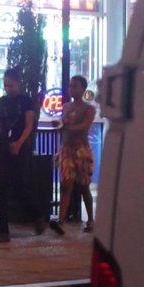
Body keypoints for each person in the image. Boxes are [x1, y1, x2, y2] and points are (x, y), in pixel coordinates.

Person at [0, 66, 46, 241]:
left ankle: (37, 215)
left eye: (11, 85)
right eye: (6, 85)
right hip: (4, 147)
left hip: (19, 147)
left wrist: (19, 143)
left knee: (20, 185)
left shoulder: (26, 101)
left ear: (18, 84)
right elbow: (1, 124)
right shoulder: (2, 102)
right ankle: (3, 230)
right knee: (0, 186)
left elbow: (28, 125)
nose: (8, 89)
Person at [49, 75, 96, 234]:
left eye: (75, 86)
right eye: (70, 86)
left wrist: (64, 127)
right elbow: (63, 122)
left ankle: (90, 220)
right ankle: (61, 221)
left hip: (82, 151)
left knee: (84, 188)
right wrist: (60, 124)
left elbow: (84, 126)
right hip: (67, 150)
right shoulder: (67, 106)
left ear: (83, 88)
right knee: (66, 185)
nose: (71, 89)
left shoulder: (89, 108)